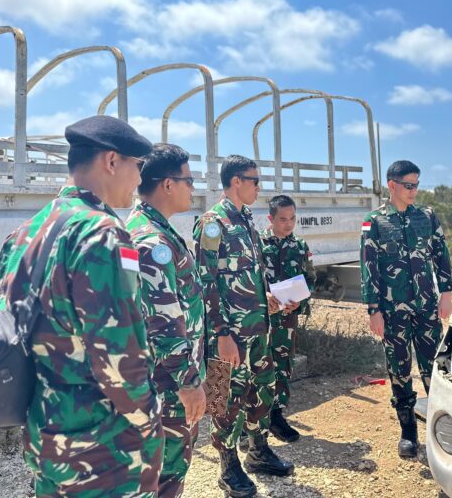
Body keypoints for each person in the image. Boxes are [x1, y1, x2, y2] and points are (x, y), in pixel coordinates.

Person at [0, 115, 163, 496]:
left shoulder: (26, 232)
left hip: (45, 433)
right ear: (112, 162)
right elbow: (119, 355)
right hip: (103, 450)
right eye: (138, 166)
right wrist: (149, 421)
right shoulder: (102, 233)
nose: (138, 181)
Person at [193, 154, 294, 498]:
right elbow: (205, 283)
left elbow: (248, 274)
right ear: (236, 181)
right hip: (227, 337)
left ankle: (257, 450)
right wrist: (221, 335)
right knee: (223, 401)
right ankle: (227, 465)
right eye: (254, 180)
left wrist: (268, 296)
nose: (258, 187)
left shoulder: (246, 220)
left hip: (257, 331)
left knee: (261, 392)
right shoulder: (211, 223)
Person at [126, 143, 207, 498]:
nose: (193, 189)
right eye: (188, 181)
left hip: (168, 380)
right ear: (168, 185)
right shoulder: (151, 239)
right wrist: (188, 381)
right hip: (168, 385)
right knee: (164, 478)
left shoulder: (159, 230)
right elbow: (162, 321)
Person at [360, 160, 452, 458]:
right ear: (392, 185)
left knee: (435, 369)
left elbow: (441, 254)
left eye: (417, 185)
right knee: (399, 370)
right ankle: (408, 432)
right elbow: (368, 267)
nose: (414, 191)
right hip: (392, 311)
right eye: (408, 185)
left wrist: (446, 292)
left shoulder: (427, 217)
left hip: (426, 307)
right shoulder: (374, 221)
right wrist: (373, 309)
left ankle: (442, 431)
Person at [260, 194, 317, 442]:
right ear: (270, 218)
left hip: (286, 319)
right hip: (261, 319)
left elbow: (310, 280)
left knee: (283, 364)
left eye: (292, 218)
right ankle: (252, 421)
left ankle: (276, 415)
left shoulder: (300, 247)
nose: (289, 223)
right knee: (257, 365)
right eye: (283, 219)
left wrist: (299, 302)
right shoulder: (257, 245)